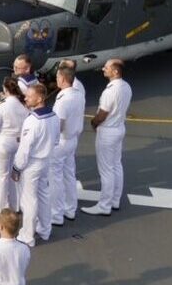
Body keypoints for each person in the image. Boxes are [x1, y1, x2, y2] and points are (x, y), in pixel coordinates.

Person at [84, 60, 132, 216]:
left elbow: (102, 114)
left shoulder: (110, 91)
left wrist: (93, 122)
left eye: (107, 67)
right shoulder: (126, 86)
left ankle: (104, 206)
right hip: (119, 128)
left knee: (106, 170)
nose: (103, 69)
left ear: (115, 72)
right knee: (116, 164)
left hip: (108, 131)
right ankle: (115, 200)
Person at [12, 85, 58, 245]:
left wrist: (17, 167)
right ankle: (45, 229)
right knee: (44, 196)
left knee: (28, 200)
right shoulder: (54, 116)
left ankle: (27, 235)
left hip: (32, 164)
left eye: (29, 96)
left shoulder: (32, 121)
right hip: (46, 161)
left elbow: (24, 149)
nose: (25, 98)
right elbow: (56, 140)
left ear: (39, 99)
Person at [51, 64, 86, 225]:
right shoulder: (79, 94)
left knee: (55, 177)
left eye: (58, 77)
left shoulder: (63, 100)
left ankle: (56, 213)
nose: (56, 80)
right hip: (72, 140)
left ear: (63, 79)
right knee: (69, 174)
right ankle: (70, 208)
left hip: (62, 141)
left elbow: (59, 125)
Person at [0, 77, 29, 218]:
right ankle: (15, 204)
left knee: (1, 176)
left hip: (3, 141)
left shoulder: (0, 106)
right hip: (18, 142)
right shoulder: (22, 105)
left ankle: (0, 205)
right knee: (14, 175)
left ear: (5, 89)